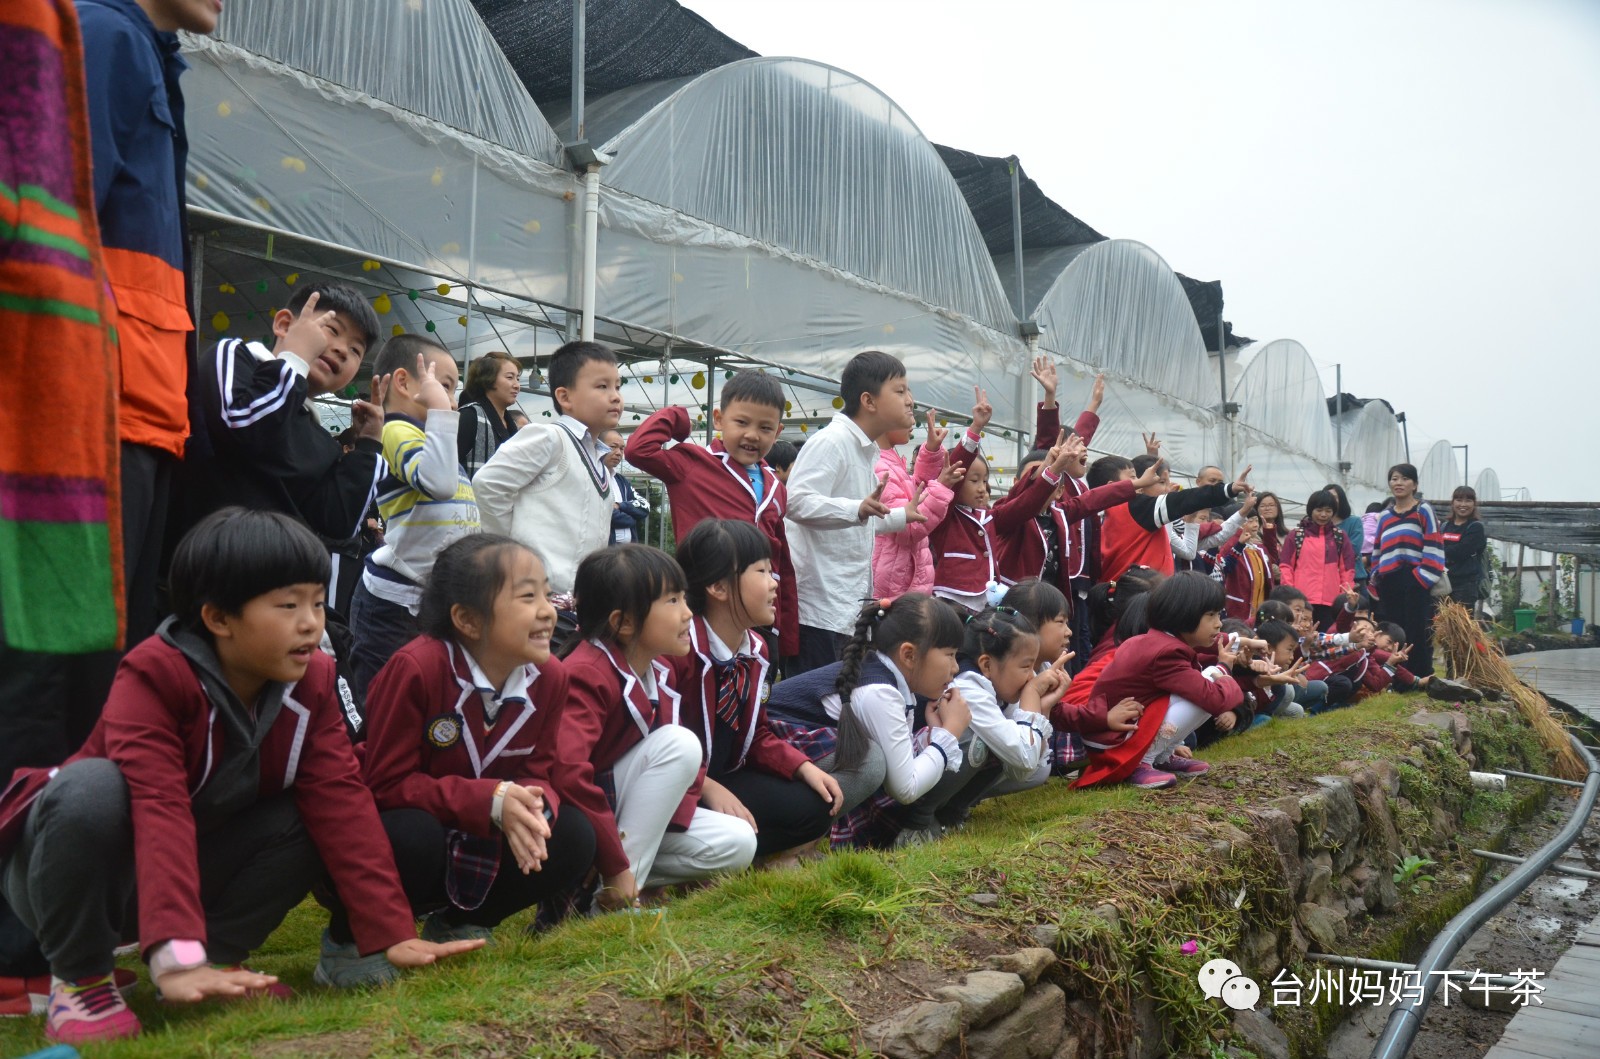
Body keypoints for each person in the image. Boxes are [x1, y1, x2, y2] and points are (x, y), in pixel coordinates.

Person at [0, 509, 481, 1043]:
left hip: (193, 864)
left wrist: (391, 931)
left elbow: (341, 801)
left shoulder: (313, 678)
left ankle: (219, 957)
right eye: (288, 605)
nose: (311, 623)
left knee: (313, 812)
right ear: (218, 618)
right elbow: (158, 807)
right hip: (85, 874)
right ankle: (83, 977)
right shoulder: (154, 673)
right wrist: (173, 954)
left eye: (318, 602)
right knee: (91, 788)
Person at [0, 0, 127, 1010]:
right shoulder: (103, 32)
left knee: (68, 702)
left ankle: (51, 945)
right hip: (53, 426)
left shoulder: (92, 36)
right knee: (37, 693)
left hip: (76, 430)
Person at [340, 535, 595, 975]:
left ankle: (460, 923)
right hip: (410, 823)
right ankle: (349, 942)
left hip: (478, 826)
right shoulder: (418, 668)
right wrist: (491, 800)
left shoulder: (550, 676)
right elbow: (385, 784)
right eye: (527, 596)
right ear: (468, 620)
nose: (549, 610)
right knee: (408, 834)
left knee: (571, 835)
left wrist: (534, 804)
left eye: (547, 592)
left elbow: (540, 770)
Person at [80, 0, 218, 645]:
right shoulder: (102, 34)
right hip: (94, 408)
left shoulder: (150, 58)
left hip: (145, 415)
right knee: (66, 670)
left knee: (108, 658)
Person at [556, 546, 757, 911]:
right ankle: (615, 898)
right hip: (581, 819)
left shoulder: (657, 669)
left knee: (739, 842)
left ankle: (622, 882)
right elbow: (568, 774)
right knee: (680, 744)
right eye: (673, 601)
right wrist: (614, 858)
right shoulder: (587, 673)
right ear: (624, 622)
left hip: (620, 820)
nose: (687, 613)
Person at [667, 520, 843, 865]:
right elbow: (658, 741)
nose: (774, 583)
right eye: (762, 571)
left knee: (814, 806)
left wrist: (802, 767)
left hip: (725, 773)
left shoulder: (757, 649)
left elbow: (757, 733)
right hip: (674, 785)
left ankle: (749, 856)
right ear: (718, 586)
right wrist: (707, 787)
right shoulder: (680, 652)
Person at [765, 594, 969, 849]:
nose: (955, 668)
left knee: (874, 758)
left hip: (785, 758)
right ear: (909, 655)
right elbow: (904, 788)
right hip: (768, 749)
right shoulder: (880, 693)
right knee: (869, 760)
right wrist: (948, 734)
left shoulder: (890, 681)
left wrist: (933, 733)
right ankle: (794, 844)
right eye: (950, 655)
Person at [186, 284, 386, 542]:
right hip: (196, 560)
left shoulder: (321, 441)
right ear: (283, 324)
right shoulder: (236, 358)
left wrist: (368, 445)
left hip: (276, 576)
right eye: (332, 330)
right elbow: (244, 428)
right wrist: (295, 358)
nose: (342, 349)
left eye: (356, 350)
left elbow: (338, 523)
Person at [625, 371, 797, 655]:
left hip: (755, 614)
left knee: (753, 685)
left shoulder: (776, 487)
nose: (752, 435)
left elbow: (781, 561)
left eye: (765, 428)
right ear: (718, 419)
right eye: (741, 422)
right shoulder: (693, 464)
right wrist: (678, 417)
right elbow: (638, 450)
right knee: (701, 680)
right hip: (704, 607)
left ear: (777, 432)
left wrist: (786, 630)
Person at [347, 336, 478, 702]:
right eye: (446, 386)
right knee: (381, 701)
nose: (452, 400)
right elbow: (437, 483)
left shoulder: (430, 440)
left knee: (422, 700)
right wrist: (440, 413)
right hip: (393, 604)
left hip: (425, 600)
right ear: (404, 383)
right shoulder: (395, 430)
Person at [783, 352, 921, 672]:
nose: (910, 400)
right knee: (815, 713)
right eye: (900, 391)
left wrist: (900, 516)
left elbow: (855, 520)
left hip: (843, 613)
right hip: (818, 613)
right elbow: (795, 502)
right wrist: (855, 508)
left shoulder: (864, 449)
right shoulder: (832, 442)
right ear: (868, 401)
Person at [473, 341, 622, 602]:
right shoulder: (549, 437)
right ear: (564, 397)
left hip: (578, 603)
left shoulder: (601, 461)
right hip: (536, 596)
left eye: (617, 387)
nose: (615, 396)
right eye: (602, 386)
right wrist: (512, 554)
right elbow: (488, 484)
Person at [1073, 572, 1245, 791]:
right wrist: (1227, 675)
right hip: (1114, 742)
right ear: (1184, 614)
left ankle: (1163, 755)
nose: (1219, 624)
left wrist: (1220, 673)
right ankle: (1142, 762)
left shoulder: (1158, 641)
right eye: (1210, 615)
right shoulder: (1166, 652)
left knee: (1210, 676)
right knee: (1207, 691)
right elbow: (1214, 700)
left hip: (1112, 733)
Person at [931, 429, 1086, 614]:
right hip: (949, 602)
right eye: (974, 481)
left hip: (985, 604)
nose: (982, 489)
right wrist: (976, 428)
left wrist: (1054, 470)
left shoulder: (989, 517)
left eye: (985, 481)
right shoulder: (943, 515)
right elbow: (953, 478)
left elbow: (1025, 504)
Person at [939, 608, 1067, 824]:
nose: (1032, 677)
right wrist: (1032, 696)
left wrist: (1042, 707)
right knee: (980, 743)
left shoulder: (998, 687)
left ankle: (953, 809)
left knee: (1022, 753)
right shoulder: (967, 688)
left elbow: (1026, 771)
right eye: (1026, 666)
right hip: (903, 799)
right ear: (987, 665)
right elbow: (1024, 759)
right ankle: (924, 820)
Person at [1093, 455, 1254, 582]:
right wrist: (1228, 489)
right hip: (1139, 597)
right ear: (1112, 486)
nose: (1140, 483)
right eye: (1134, 478)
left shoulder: (1103, 512)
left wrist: (1190, 521)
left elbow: (1189, 550)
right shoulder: (1136, 507)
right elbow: (1183, 500)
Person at [872, 409, 960, 599]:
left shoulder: (889, 461)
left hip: (902, 578)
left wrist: (930, 451)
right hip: (895, 585)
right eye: (907, 410)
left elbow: (916, 493)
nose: (913, 421)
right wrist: (941, 487)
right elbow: (909, 527)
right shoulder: (880, 468)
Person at [1369, 464, 1446, 678]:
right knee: (1394, 630)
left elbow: (1434, 544)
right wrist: (1378, 574)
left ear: (1414, 484)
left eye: (1404, 479)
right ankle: (1398, 675)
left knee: (1417, 629)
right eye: (1394, 479)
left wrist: (1422, 577)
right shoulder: (1384, 516)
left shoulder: (1423, 510)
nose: (1399, 483)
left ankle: (1421, 673)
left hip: (1416, 578)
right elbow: (1378, 549)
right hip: (1390, 580)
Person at [1279, 490, 1356, 629]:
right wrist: (1291, 594)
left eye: (1328, 510)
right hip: (1302, 601)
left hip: (1331, 602)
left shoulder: (1340, 537)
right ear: (1311, 510)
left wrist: (1342, 598)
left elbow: (1347, 570)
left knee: (1327, 641)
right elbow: (1286, 567)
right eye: (1319, 510)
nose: (1323, 515)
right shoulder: (1296, 535)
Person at [456, 350, 522, 478]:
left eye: (517, 379)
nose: (517, 385)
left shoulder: (511, 425)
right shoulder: (469, 417)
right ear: (488, 379)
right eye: (509, 377)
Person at [1212, 512, 1277, 621]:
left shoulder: (1258, 548)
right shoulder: (1232, 545)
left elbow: (1273, 558)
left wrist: (1269, 533)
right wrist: (1238, 534)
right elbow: (1226, 566)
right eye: (1250, 521)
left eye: (1256, 520)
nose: (1255, 525)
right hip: (1240, 608)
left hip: (1260, 608)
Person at [1441, 486, 1487, 611]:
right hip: (1443, 583)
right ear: (1452, 503)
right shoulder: (1444, 527)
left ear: (1474, 504)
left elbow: (1461, 551)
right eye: (1459, 500)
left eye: (1468, 501)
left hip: (1465, 585)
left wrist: (1438, 551)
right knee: (1440, 623)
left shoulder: (1475, 527)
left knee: (1461, 625)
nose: (1463, 504)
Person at [602, 430, 650, 546]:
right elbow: (605, 513)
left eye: (622, 448)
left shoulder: (621, 481)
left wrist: (620, 506)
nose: (618, 453)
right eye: (613, 447)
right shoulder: (592, 478)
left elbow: (645, 506)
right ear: (597, 447)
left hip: (626, 551)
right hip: (605, 552)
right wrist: (632, 519)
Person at [1321, 484, 1365, 588]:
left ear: (1342, 500)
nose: (1331, 500)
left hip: (1354, 578)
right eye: (1328, 496)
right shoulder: (1318, 525)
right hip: (1325, 579)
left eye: (1335, 497)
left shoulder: (1354, 522)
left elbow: (1353, 550)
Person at [1253, 492, 1289, 573]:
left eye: (1271, 505)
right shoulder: (1254, 535)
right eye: (1263, 506)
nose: (1267, 508)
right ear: (1256, 509)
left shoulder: (1287, 535)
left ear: (1278, 508)